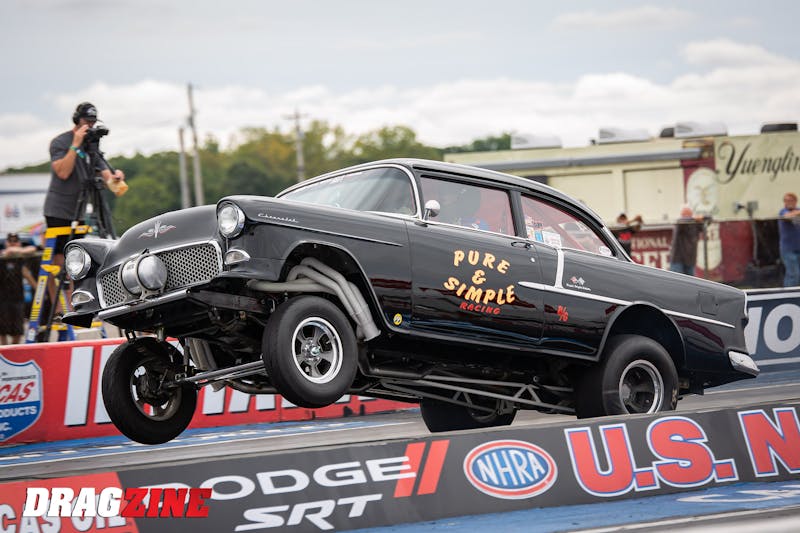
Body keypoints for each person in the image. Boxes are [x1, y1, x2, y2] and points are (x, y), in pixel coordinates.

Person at [44, 102, 126, 313]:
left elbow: (109, 181)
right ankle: (60, 310)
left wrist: (115, 178)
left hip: (79, 211)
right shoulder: (61, 142)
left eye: (92, 122)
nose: (89, 125)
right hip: (58, 210)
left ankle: (78, 307)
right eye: (86, 121)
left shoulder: (92, 146)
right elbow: (63, 171)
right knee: (58, 263)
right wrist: (76, 144)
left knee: (76, 260)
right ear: (76, 120)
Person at [0, 233, 38, 345]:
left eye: (15, 241)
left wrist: (38, 290)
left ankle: (14, 350)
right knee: (2, 330)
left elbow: (34, 249)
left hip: (18, 299)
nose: (12, 243)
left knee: (18, 330)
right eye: (10, 241)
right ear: (6, 243)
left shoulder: (20, 258)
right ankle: (4, 351)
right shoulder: (2, 257)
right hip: (2, 299)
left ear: (19, 243)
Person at [669, 205, 704, 276]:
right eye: (685, 213)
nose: (686, 215)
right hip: (678, 259)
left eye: (688, 213)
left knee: (690, 281)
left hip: (690, 259)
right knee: (676, 279)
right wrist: (694, 219)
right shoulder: (680, 223)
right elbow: (683, 220)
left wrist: (701, 218)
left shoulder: (695, 224)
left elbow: (707, 220)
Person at [778, 192, 800, 287]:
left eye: (790, 200)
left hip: (798, 247)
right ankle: (788, 293)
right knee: (793, 274)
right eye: (786, 201)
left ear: (795, 201)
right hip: (788, 250)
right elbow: (787, 216)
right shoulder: (783, 212)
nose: (788, 202)